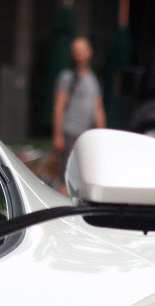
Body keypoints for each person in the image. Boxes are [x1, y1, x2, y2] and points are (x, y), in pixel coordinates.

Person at [52, 37, 105, 193]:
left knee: (84, 175)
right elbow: (58, 106)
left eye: (82, 51)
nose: (79, 54)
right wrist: (57, 134)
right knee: (66, 176)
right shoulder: (67, 77)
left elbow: (98, 108)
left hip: (86, 134)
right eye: (76, 51)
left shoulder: (94, 79)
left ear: (89, 53)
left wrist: (101, 132)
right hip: (70, 133)